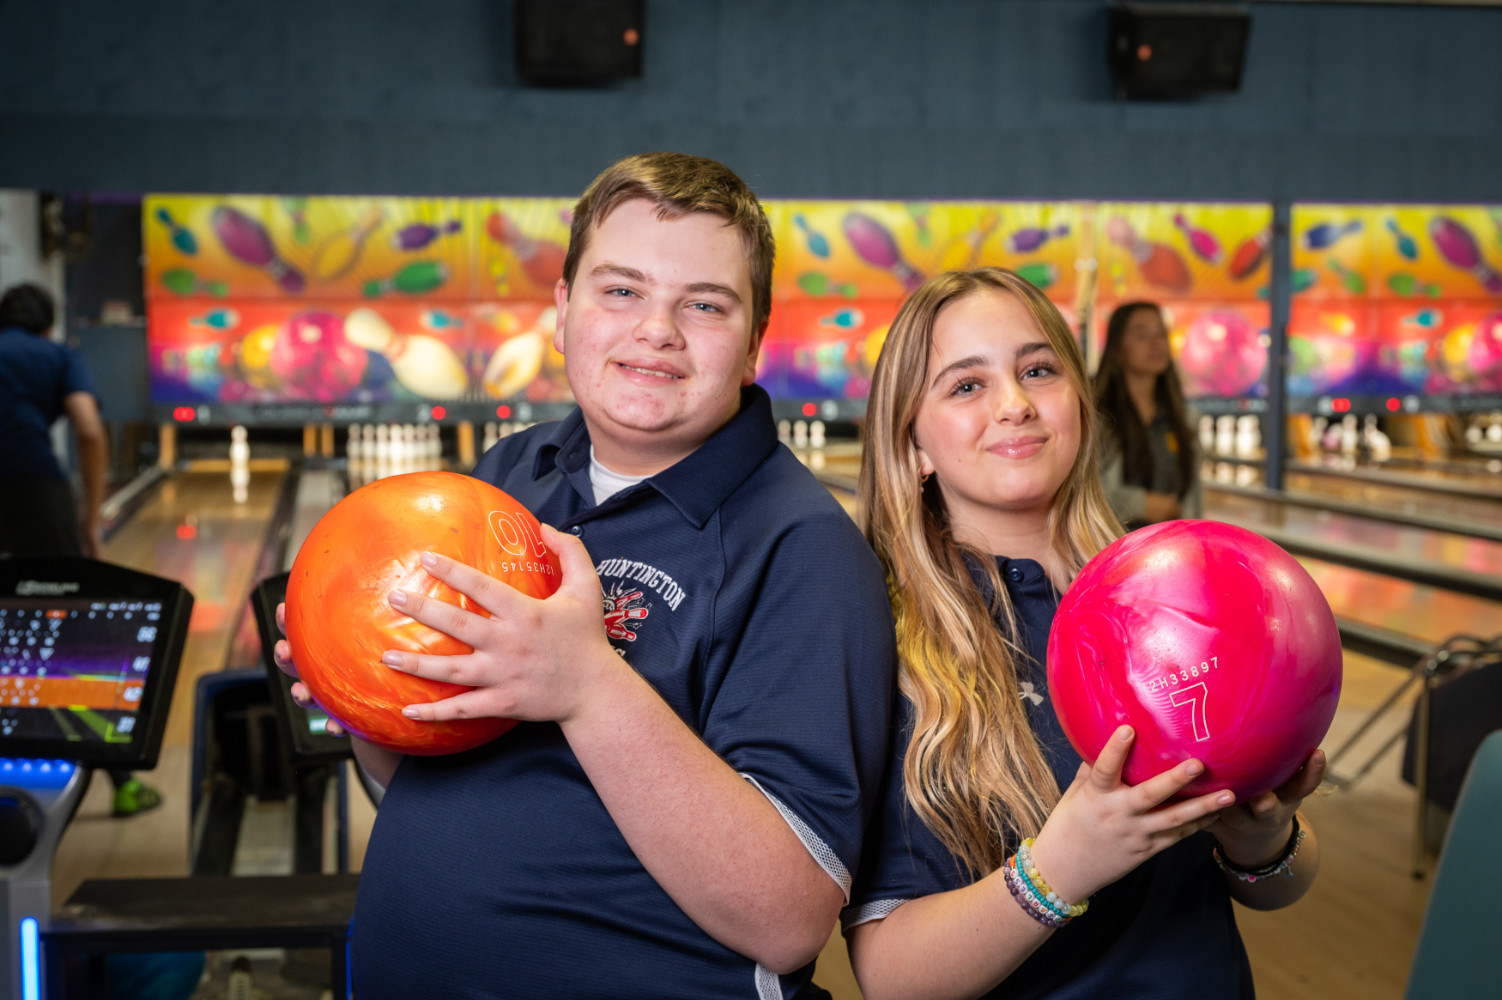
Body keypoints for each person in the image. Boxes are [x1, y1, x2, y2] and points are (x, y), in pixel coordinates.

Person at [275, 153, 896, 998]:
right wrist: (372, 701)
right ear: (564, 310)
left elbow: (787, 916)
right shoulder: (504, 477)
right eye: (621, 290)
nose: (657, 329)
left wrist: (586, 686)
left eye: (704, 305)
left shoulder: (803, 549)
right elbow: (426, 782)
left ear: (753, 343)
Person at [844, 268, 1324, 999]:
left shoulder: (1173, 600)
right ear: (911, 444)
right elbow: (891, 979)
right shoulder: (890, 644)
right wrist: (1059, 868)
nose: (1014, 404)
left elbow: (1276, 888)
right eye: (966, 386)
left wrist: (1261, 839)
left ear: (1077, 401)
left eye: (1038, 370)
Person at [0, 282, 162, 818]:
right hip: (32, 488)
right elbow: (90, 431)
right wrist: (90, 518)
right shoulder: (54, 355)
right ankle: (122, 782)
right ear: (48, 325)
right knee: (72, 627)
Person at [1092, 301, 1203, 529]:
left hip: (1172, 551)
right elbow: (1085, 494)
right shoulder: (1095, 417)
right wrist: (1142, 504)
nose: (1156, 343)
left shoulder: (1185, 417)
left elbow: (1192, 497)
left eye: (1161, 334)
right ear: (1117, 348)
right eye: (1142, 335)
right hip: (1111, 550)